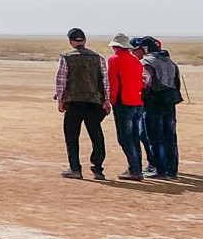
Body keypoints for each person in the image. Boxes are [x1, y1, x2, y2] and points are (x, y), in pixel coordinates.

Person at [55, 27, 109, 180]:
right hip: (94, 102)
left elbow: (61, 81)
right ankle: (97, 168)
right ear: (84, 40)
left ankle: (75, 169)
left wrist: (60, 100)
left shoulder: (66, 57)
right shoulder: (98, 58)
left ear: (71, 42)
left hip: (73, 102)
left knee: (72, 136)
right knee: (96, 135)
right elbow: (105, 81)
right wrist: (106, 100)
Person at [133, 36, 181, 179]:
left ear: (145, 49)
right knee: (170, 137)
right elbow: (176, 84)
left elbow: (145, 83)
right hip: (170, 103)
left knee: (154, 137)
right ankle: (172, 170)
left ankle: (159, 169)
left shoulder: (146, 62)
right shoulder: (171, 63)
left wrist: (141, 97)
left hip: (154, 103)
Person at [106, 33, 147, 181]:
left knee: (124, 137)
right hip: (137, 101)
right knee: (134, 136)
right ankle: (137, 168)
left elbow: (113, 82)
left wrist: (110, 100)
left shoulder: (114, 60)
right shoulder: (136, 61)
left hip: (123, 102)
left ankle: (134, 169)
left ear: (116, 47)